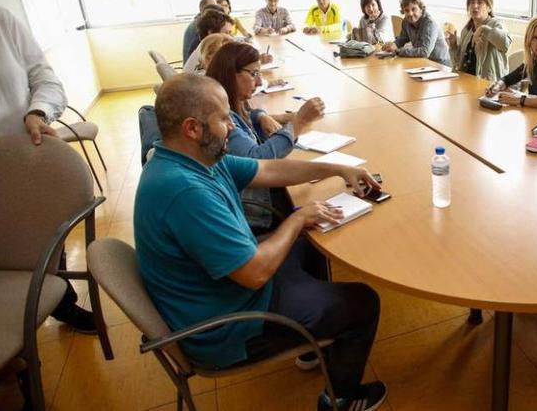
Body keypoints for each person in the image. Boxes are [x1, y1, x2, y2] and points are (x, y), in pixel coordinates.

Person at [135, 74, 386, 411]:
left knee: (311, 243)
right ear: (193, 128)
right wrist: (298, 218)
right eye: (224, 119)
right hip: (227, 325)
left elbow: (267, 169)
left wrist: (337, 169)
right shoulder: (184, 191)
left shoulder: (197, 158)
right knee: (363, 302)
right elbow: (254, 273)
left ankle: (317, 342)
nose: (233, 127)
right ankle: (341, 399)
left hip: (225, 289)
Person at [0, 0, 96, 333]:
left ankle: (61, 303)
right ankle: (8, 354)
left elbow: (46, 81)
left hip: (25, 169)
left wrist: (37, 112)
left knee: (48, 247)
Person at [205, 42, 325, 231]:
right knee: (322, 202)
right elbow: (259, 160)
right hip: (256, 216)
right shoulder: (221, 118)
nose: (260, 82)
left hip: (261, 199)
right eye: (253, 74)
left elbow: (247, 114)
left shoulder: (228, 102)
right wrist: (299, 121)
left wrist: (260, 116)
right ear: (230, 73)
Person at [446, 0, 511, 83]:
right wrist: (453, 46)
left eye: (480, 3)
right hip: (465, 81)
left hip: (488, 85)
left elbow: (505, 44)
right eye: (472, 3)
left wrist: (483, 29)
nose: (475, 6)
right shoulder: (467, 29)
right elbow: (458, 63)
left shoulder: (496, 24)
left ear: (489, 8)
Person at [381, 0, 451, 67]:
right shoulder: (406, 21)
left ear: (421, 9)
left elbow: (425, 52)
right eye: (407, 10)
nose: (410, 13)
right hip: (423, 62)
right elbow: (402, 39)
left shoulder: (430, 23)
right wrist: (393, 45)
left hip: (440, 65)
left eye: (414, 9)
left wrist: (398, 51)